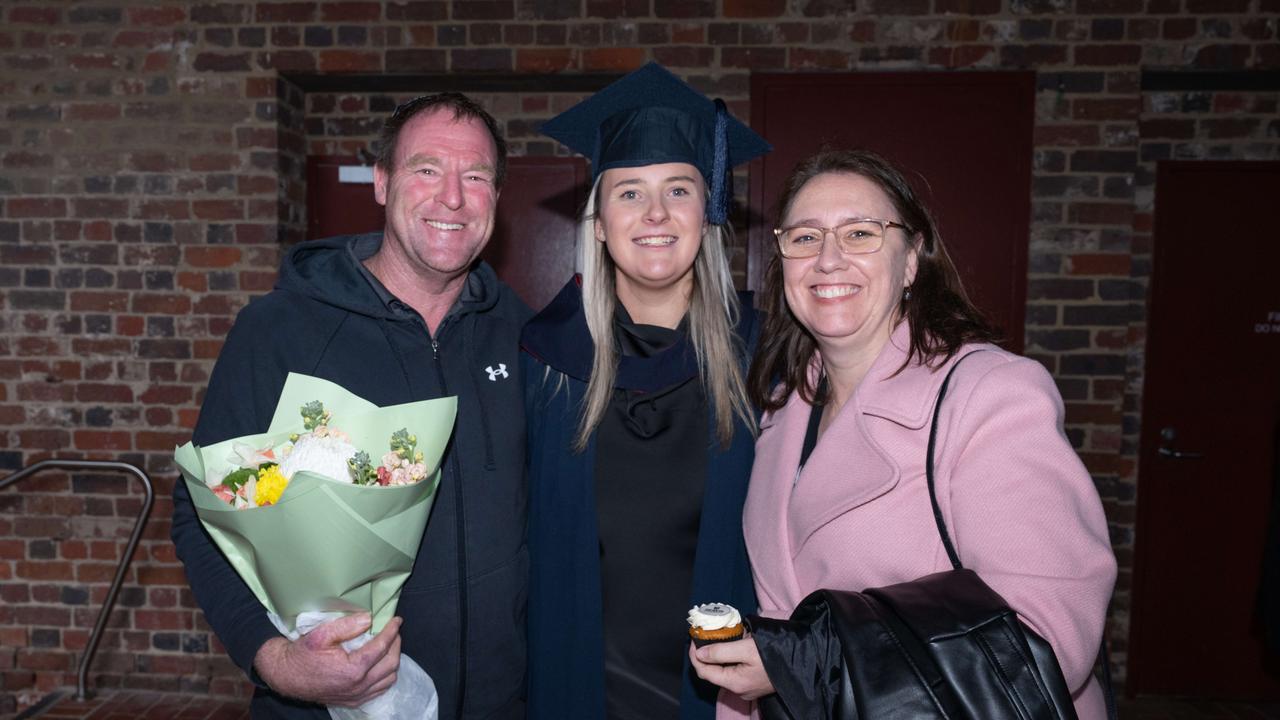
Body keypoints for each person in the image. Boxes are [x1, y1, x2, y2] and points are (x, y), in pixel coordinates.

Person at [690, 149, 1117, 718]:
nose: (829, 259)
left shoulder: (990, 395)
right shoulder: (780, 407)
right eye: (805, 237)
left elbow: (1050, 632)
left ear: (912, 259)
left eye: (862, 233)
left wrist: (808, 661)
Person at [170, 93, 532, 719]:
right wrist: (272, 658)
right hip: (330, 706)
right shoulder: (281, 331)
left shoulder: (524, 337)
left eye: (475, 177)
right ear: (383, 182)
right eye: (426, 170)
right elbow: (204, 513)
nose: (452, 197)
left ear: (496, 197)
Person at [520, 63, 770, 720]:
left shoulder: (767, 359)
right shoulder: (542, 363)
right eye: (629, 192)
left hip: (723, 693)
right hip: (579, 683)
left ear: (709, 212)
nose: (656, 214)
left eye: (679, 190)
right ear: (598, 222)